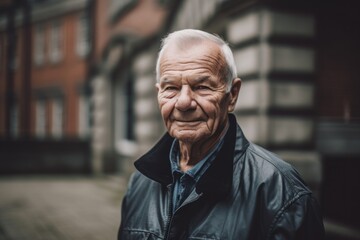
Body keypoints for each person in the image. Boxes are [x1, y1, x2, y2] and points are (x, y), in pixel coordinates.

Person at [118, 29, 324, 240]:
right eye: (171, 87)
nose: (183, 102)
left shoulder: (282, 194)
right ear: (159, 94)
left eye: (201, 87)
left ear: (232, 95)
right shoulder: (140, 183)